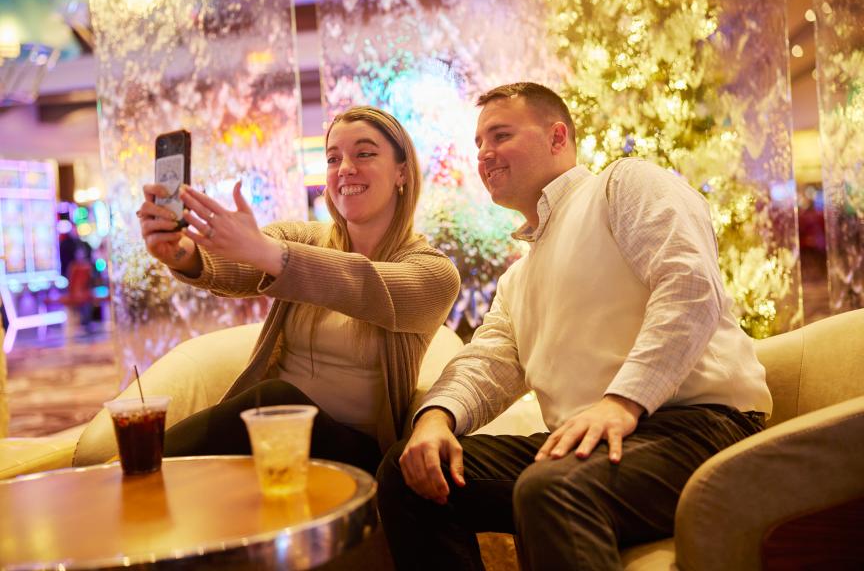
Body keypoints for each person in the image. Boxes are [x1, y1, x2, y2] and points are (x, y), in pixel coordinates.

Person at [376, 82, 772, 570]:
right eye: (478, 144)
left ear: (557, 136)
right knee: (407, 472)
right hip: (589, 443)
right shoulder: (519, 276)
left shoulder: (623, 185)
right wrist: (436, 419)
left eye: (499, 135)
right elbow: (486, 364)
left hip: (698, 428)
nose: (484, 154)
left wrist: (623, 401)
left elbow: (689, 286)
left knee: (553, 488)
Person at [136, 106, 460, 474]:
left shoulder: (433, 272)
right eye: (333, 158)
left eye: (364, 153)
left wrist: (267, 252)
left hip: (358, 455)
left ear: (403, 171)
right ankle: (142, 473)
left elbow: (362, 285)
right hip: (276, 437)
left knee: (278, 401)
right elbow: (238, 267)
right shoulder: (304, 239)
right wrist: (181, 252)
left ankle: (138, 467)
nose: (345, 168)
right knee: (275, 408)